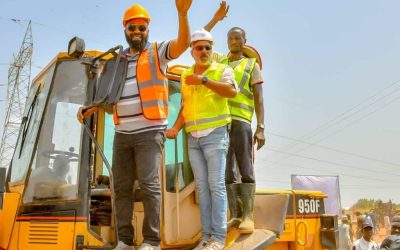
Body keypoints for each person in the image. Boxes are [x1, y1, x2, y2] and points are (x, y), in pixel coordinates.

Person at [77, 2, 192, 250]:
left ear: (147, 28)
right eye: (132, 27)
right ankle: (125, 241)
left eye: (141, 27)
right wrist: (90, 108)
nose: (136, 31)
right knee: (120, 188)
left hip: (149, 132)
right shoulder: (115, 61)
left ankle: (151, 240)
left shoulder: (157, 51)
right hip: (122, 134)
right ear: (125, 30)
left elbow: (182, 44)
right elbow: (107, 96)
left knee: (150, 186)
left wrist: (182, 15)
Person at [166, 29, 237, 250]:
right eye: (200, 47)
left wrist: (204, 80)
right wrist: (175, 128)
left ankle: (218, 238)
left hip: (215, 135)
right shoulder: (186, 75)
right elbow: (186, 106)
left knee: (216, 186)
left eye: (208, 47)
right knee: (203, 188)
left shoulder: (221, 70)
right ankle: (206, 237)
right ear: (192, 51)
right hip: (193, 138)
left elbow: (231, 92)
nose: (204, 51)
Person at [204, 1, 265, 233]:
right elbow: (201, 38)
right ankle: (236, 215)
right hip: (222, 123)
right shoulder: (221, 62)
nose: (233, 41)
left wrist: (261, 127)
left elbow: (259, 98)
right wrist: (216, 19)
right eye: (230, 38)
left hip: (241, 123)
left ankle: (248, 215)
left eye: (237, 38)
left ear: (244, 41)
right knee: (227, 170)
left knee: (245, 168)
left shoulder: (251, 65)